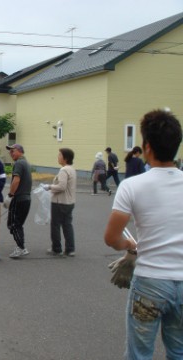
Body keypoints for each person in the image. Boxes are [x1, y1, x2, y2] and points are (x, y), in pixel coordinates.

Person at [104, 109, 183, 359]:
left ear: (147, 147)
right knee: (179, 351)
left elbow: (111, 238)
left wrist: (129, 244)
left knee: (139, 354)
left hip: (150, 282)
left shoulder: (132, 186)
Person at [44, 148, 76, 257]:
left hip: (59, 202)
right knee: (67, 225)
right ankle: (70, 249)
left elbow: (61, 186)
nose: (58, 157)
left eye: (60, 155)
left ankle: (56, 248)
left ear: (65, 158)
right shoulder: (72, 169)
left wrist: (49, 187)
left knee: (56, 225)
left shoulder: (63, 170)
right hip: (70, 202)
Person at [5, 144, 32, 259]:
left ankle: (21, 248)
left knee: (14, 224)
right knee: (17, 224)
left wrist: (10, 195)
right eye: (10, 151)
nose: (11, 153)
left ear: (20, 151)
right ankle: (21, 246)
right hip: (26, 198)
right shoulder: (25, 162)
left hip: (19, 198)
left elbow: (16, 180)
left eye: (13, 151)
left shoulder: (19, 163)